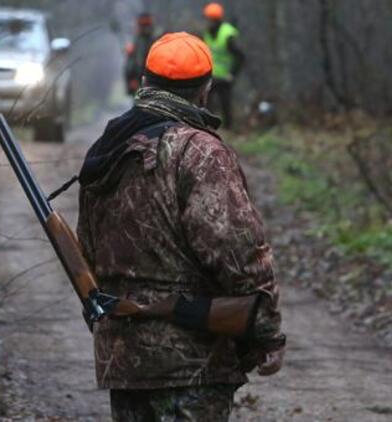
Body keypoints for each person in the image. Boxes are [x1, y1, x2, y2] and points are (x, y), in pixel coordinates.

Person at [76, 32, 284, 421]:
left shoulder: (108, 147)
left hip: (123, 359)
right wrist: (266, 331)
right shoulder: (201, 152)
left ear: (144, 82)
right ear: (205, 90)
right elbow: (238, 254)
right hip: (193, 362)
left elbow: (87, 249)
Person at [202, 2, 245, 129]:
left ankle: (229, 131)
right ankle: (208, 129)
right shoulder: (208, 33)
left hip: (225, 77)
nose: (208, 22)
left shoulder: (227, 35)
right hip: (212, 76)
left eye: (210, 19)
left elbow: (240, 57)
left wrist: (232, 74)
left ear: (216, 19)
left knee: (226, 105)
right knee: (206, 105)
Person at [124, 13, 156, 96]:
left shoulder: (154, 42)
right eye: (142, 25)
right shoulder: (136, 43)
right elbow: (130, 65)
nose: (145, 28)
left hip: (151, 83)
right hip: (141, 83)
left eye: (146, 25)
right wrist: (132, 80)